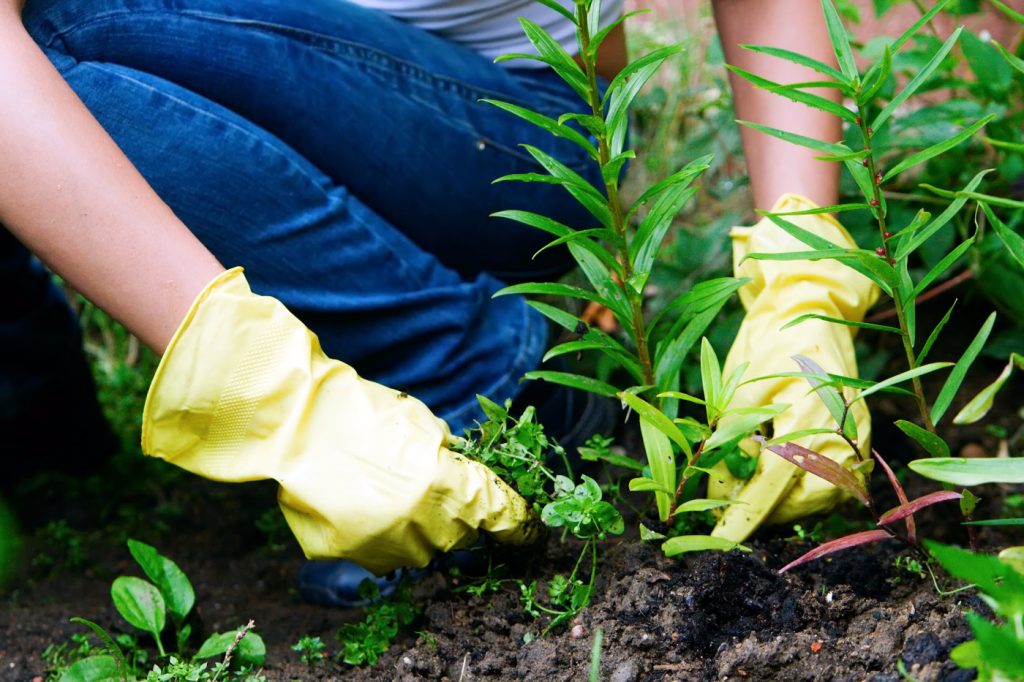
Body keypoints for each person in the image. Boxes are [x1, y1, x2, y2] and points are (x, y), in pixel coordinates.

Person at [0, 0, 876, 605]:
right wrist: (265, 394)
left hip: (503, 129)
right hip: (208, 73)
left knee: (69, 23)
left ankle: (481, 376)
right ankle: (48, 446)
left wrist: (803, 277)